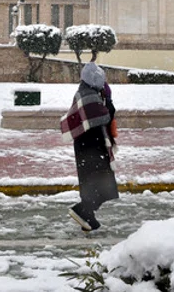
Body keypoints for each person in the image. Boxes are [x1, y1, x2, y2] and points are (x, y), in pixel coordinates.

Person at [60, 62, 118, 231]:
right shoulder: (89, 95)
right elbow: (105, 117)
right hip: (91, 145)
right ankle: (83, 211)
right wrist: (109, 100)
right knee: (100, 180)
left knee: (96, 181)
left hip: (89, 144)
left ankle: (87, 215)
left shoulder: (88, 91)